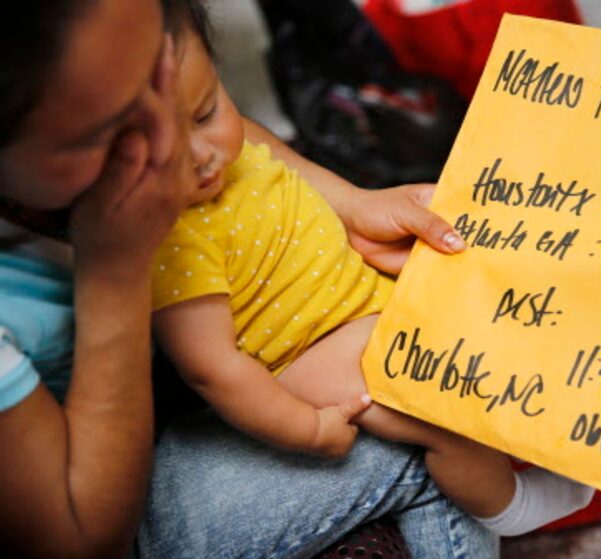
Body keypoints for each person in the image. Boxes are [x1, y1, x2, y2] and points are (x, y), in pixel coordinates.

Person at [0, 1, 497, 557]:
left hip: (178, 405)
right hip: (108, 513)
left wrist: (350, 203)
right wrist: (115, 272)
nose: (181, 157)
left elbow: (237, 142)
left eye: (201, 107)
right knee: (434, 416)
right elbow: (81, 541)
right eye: (118, 141)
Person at [146, 0, 595, 543]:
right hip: (309, 353)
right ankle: (509, 506)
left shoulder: (228, 155)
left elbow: (265, 153)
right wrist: (307, 429)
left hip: (351, 294)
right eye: (160, 151)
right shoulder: (171, 241)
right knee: (446, 420)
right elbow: (212, 369)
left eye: (205, 112)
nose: (203, 155)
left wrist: (355, 204)